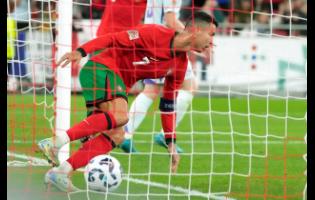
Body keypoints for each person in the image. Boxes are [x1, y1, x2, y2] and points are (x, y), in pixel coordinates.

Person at [37, 11, 218, 192]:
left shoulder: (180, 65)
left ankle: (62, 171)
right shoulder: (155, 33)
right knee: (121, 117)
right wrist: (80, 51)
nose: (212, 42)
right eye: (211, 35)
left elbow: (168, 104)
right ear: (195, 30)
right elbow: (113, 39)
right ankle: (55, 143)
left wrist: (170, 142)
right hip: (100, 68)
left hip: (115, 82)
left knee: (117, 135)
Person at [120, 0, 197, 153]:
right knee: (183, 88)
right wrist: (194, 37)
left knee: (153, 89)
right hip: (164, 45)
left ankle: (127, 134)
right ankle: (134, 133)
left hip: (152, 40)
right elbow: (170, 21)